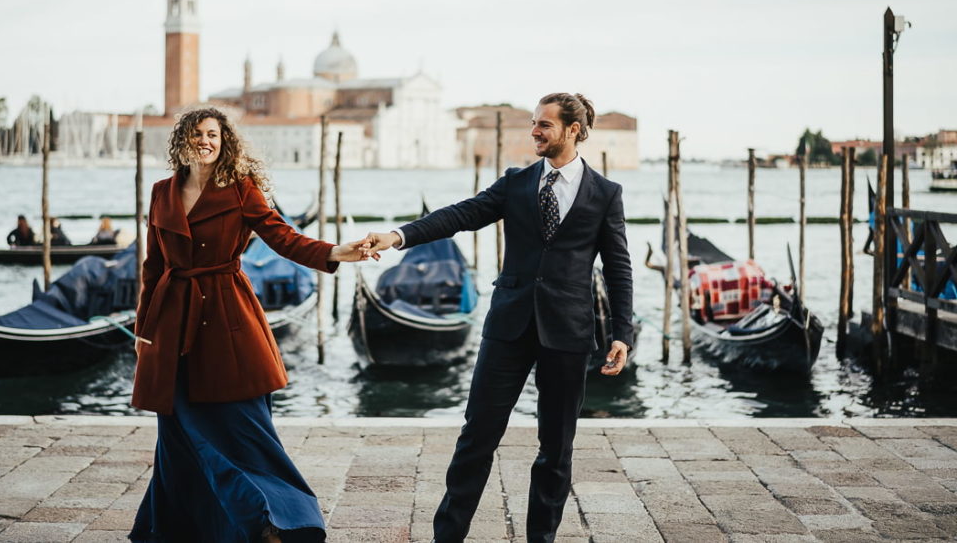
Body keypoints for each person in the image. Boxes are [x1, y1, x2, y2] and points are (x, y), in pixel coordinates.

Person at [364, 92, 634, 543]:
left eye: (544, 125)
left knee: (556, 449)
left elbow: (619, 266)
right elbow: (461, 215)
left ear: (573, 130)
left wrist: (622, 332)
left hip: (567, 333)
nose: (534, 131)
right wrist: (398, 236)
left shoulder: (605, 194)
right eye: (533, 123)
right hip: (508, 326)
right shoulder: (517, 182)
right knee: (477, 438)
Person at [129, 106, 370, 543]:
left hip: (226, 318)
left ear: (225, 144)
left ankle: (281, 519)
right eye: (197, 134)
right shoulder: (162, 191)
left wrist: (335, 252)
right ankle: (175, 529)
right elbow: (154, 264)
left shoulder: (242, 189)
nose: (205, 141)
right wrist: (142, 329)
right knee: (179, 431)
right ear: (182, 140)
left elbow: (284, 237)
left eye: (213, 135)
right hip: (171, 322)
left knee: (244, 430)